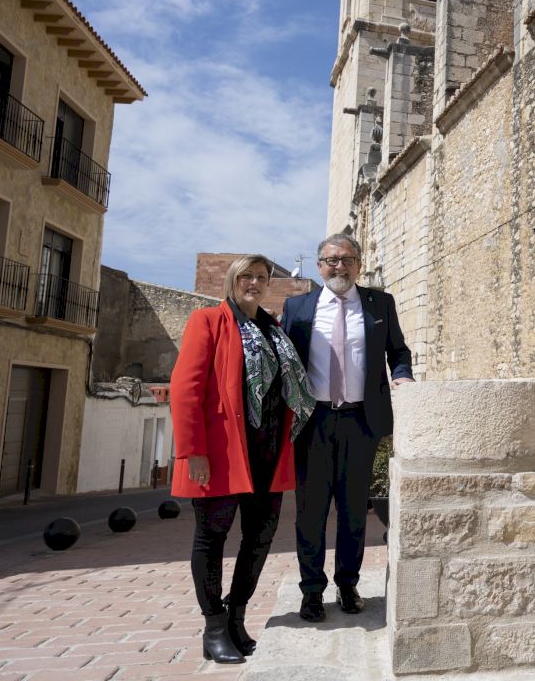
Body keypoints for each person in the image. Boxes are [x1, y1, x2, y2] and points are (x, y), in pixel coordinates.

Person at [170, 254, 314, 663]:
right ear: (232, 281)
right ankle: (213, 627)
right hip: (223, 452)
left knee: (260, 537)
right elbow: (185, 389)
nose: (254, 283)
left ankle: (236, 617)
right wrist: (193, 451)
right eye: (246, 276)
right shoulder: (208, 321)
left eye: (261, 277)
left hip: (268, 451)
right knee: (212, 537)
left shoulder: (275, 331)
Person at [280, 234, 414, 622]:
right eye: (332, 260)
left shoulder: (380, 304)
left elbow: (398, 351)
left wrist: (402, 375)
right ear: (319, 266)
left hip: (361, 421)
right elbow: (284, 359)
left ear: (359, 264)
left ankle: (347, 584)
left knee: (354, 510)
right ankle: (311, 591)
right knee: (311, 511)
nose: (340, 266)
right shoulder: (297, 307)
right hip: (313, 422)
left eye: (348, 259)